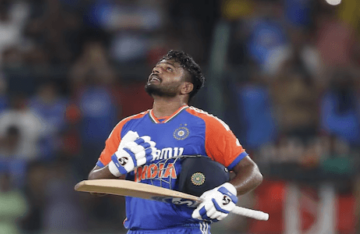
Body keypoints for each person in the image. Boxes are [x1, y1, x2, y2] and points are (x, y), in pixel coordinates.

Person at [88, 50, 263, 233]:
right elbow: (93, 185)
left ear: (185, 87)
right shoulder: (126, 127)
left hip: (187, 229)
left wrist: (227, 192)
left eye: (168, 69)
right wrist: (114, 168)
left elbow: (252, 172)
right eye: (156, 68)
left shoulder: (206, 125)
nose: (157, 71)